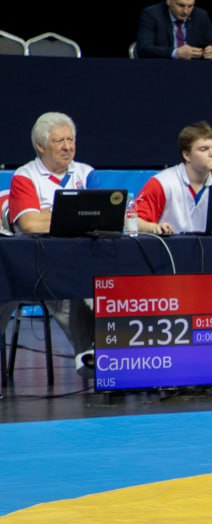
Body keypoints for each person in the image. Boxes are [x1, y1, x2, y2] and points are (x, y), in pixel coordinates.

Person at [2, 112, 97, 375]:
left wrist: (49, 214)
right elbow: (30, 225)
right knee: (67, 286)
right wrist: (79, 215)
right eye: (59, 141)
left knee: (92, 284)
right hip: (36, 263)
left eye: (71, 140)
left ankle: (101, 356)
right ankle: (89, 355)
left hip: (82, 260)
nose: (67, 147)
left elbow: (104, 217)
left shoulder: (87, 173)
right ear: (40, 146)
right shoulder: (25, 176)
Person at [134, 121, 212, 234]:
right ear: (187, 155)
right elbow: (134, 221)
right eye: (204, 149)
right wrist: (153, 227)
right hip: (170, 244)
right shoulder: (162, 183)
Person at [135, 0, 212, 61]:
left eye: (190, 6)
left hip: (193, 70)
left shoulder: (201, 16)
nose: (186, 11)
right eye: (181, 5)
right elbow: (143, 49)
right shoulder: (151, 15)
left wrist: (211, 54)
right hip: (161, 68)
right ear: (169, 0)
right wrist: (175, 53)